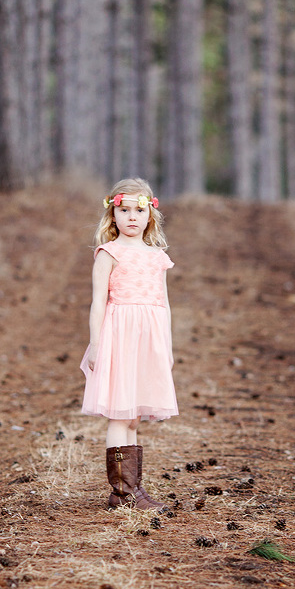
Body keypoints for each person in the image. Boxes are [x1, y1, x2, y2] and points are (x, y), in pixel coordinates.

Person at [80, 177, 178, 510]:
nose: (131, 217)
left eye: (138, 210)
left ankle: (133, 489)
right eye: (124, 210)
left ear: (150, 214)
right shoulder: (109, 253)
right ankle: (121, 493)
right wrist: (95, 344)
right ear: (113, 214)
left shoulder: (157, 256)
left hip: (148, 339)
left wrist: (167, 346)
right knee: (120, 414)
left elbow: (163, 304)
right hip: (119, 335)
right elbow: (97, 302)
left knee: (134, 416)